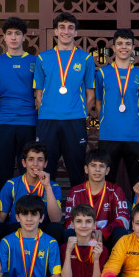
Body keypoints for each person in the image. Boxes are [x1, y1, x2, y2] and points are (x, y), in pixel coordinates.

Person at [34, 12, 94, 187]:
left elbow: (90, 94)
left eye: (70, 28)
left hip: (74, 120)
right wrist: (46, 109)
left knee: (76, 168)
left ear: (76, 33)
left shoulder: (86, 58)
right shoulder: (43, 58)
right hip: (48, 120)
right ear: (55, 31)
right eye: (62, 27)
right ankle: (44, 210)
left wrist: (81, 113)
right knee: (46, 168)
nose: (66, 31)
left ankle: (78, 213)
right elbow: (38, 93)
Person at [95, 28, 139, 190]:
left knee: (138, 183)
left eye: (127, 44)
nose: (123, 47)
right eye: (119, 43)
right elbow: (98, 102)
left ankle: (138, 215)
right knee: (107, 182)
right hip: (108, 134)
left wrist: (132, 122)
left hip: (134, 136)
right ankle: (108, 214)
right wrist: (106, 120)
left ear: (133, 47)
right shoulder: (102, 73)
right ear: (113, 47)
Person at [0, 16, 38, 190]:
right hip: (4, 122)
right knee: (4, 169)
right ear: (4, 37)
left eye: (18, 33)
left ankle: (29, 209)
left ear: (24, 37)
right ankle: (4, 211)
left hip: (29, 122)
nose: (13, 37)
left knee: (30, 171)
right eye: (9, 33)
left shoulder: (34, 61)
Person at [0, 141, 63, 243]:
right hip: (16, 228)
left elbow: (56, 219)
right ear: (24, 163)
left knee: (57, 229)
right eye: (31, 159)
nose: (35, 164)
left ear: (45, 163)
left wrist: (47, 186)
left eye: (40, 160)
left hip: (41, 230)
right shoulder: (11, 184)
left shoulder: (53, 187)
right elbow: (1, 217)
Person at [63, 149, 130, 251]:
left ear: (107, 171)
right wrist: (87, 233)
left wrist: (104, 232)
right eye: (93, 165)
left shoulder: (116, 190)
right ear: (86, 169)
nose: (97, 170)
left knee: (121, 233)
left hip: (107, 236)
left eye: (101, 166)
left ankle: (115, 265)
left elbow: (124, 220)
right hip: (82, 235)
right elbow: (69, 222)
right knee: (68, 234)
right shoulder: (75, 191)